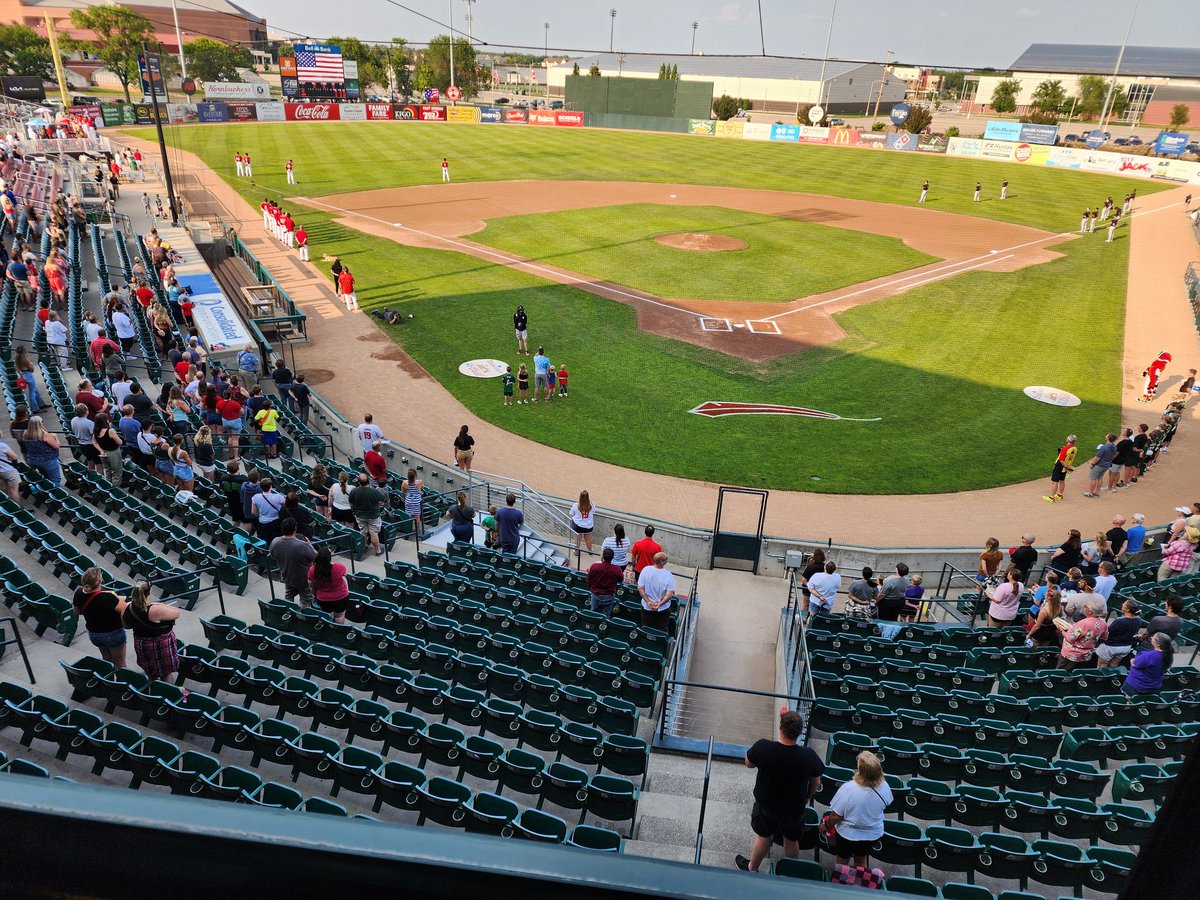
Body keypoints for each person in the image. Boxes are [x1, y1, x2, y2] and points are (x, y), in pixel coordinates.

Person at [735, 709, 824, 873]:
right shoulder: (808, 755)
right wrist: (807, 796)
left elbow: (748, 763)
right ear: (798, 732)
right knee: (791, 839)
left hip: (767, 804)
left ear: (781, 728)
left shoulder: (763, 747)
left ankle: (752, 868)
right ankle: (791, 871)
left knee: (764, 835)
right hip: (794, 807)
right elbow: (816, 781)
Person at [826, 751, 893, 870]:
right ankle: (859, 884)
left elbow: (836, 816)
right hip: (871, 834)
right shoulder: (885, 786)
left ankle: (839, 885)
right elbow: (887, 803)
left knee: (842, 861)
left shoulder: (848, 788)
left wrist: (826, 825)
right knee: (861, 860)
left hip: (847, 834)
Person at [122, 578, 182, 682]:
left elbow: (126, 626)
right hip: (160, 644)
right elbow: (177, 613)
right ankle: (169, 695)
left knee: (150, 672)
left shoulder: (127, 607)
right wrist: (160, 605)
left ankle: (153, 694)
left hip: (141, 644)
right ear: (149, 592)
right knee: (166, 673)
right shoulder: (155, 609)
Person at [72, 567, 128, 668]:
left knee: (107, 660)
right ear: (99, 580)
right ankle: (121, 682)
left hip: (95, 634)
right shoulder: (108, 598)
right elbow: (125, 611)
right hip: (113, 634)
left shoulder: (79, 593)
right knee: (119, 663)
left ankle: (108, 680)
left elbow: (76, 611)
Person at [270, 518, 316, 606]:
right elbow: (316, 557)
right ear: (295, 528)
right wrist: (309, 544)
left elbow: (273, 556)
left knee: (288, 598)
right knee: (307, 600)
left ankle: (289, 613)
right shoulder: (302, 545)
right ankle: (302, 617)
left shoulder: (275, 542)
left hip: (287, 576)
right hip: (303, 579)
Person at [1055, 599, 1108, 670]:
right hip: (1086, 655)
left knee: (1062, 671)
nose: (1084, 608)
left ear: (1090, 612)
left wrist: (1062, 630)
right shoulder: (1103, 623)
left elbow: (1069, 638)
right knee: (1077, 672)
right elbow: (1104, 637)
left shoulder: (1083, 623)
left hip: (1072, 654)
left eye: (1085, 606)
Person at [1096, 600, 1147, 668]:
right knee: (1113, 665)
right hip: (1125, 647)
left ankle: (1101, 678)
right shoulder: (1138, 620)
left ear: (1127, 610)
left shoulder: (1119, 621)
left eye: (1124, 604)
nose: (1122, 604)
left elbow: (1107, 632)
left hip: (1111, 647)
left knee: (1102, 666)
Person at [308, 547, 350, 624]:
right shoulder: (338, 567)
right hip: (340, 597)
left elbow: (311, 585)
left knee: (327, 616)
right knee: (339, 616)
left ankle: (329, 631)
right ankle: (338, 632)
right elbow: (346, 572)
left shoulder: (312, 570)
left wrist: (315, 594)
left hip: (323, 598)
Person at [637, 551, 677, 631]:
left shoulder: (645, 570)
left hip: (647, 607)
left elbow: (640, 588)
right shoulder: (668, 575)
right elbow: (669, 595)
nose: (667, 559)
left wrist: (648, 602)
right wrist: (659, 604)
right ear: (662, 562)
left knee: (646, 629)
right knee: (662, 630)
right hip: (662, 609)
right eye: (666, 558)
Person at [349, 473, 386, 557]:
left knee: (364, 532)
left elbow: (351, 503)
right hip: (373, 516)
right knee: (374, 533)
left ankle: (363, 547)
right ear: (368, 481)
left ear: (358, 482)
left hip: (359, 516)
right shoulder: (374, 492)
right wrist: (378, 502)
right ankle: (378, 550)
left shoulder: (354, 491)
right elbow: (385, 500)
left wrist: (353, 511)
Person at [19, 416, 61, 486]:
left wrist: (42, 427)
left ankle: (48, 493)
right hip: (48, 460)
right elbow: (57, 446)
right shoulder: (44, 435)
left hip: (34, 460)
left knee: (46, 477)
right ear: (40, 424)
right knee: (56, 479)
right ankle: (54, 493)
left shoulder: (25, 433)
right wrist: (56, 438)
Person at [587, 547, 623, 616]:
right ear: (612, 558)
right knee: (605, 616)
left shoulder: (595, 566)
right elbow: (620, 580)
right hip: (608, 596)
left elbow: (588, 580)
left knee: (593, 614)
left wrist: (592, 589)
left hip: (596, 594)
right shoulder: (617, 569)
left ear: (602, 556)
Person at [92, 412, 124, 484]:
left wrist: (101, 451)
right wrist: (115, 434)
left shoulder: (96, 431)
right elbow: (120, 442)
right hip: (114, 453)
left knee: (107, 471)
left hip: (104, 453)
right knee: (117, 472)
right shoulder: (110, 431)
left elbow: (94, 442)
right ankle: (116, 490)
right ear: (106, 420)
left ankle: (108, 486)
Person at [251, 477, 285, 542]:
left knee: (267, 540)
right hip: (276, 521)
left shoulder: (255, 497)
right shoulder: (278, 497)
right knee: (277, 540)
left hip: (263, 522)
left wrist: (261, 515)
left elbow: (253, 512)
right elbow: (288, 504)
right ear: (270, 486)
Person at [400, 468, 424, 539]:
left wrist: (406, 499)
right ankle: (417, 531)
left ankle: (408, 531)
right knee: (417, 517)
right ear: (415, 475)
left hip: (408, 502)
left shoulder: (404, 483)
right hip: (416, 502)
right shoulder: (420, 482)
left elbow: (403, 493)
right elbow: (422, 489)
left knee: (408, 517)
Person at [569, 489, 595, 555]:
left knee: (578, 538)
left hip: (578, 526)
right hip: (588, 526)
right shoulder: (592, 505)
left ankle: (576, 552)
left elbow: (571, 513)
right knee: (587, 538)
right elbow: (594, 511)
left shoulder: (575, 505)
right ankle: (590, 551)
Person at [0, 437, 21, 502]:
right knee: (13, 490)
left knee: (3, 488)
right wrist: (15, 465)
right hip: (8, 470)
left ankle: (7, 504)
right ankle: (17, 509)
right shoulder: (2, 445)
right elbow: (14, 456)